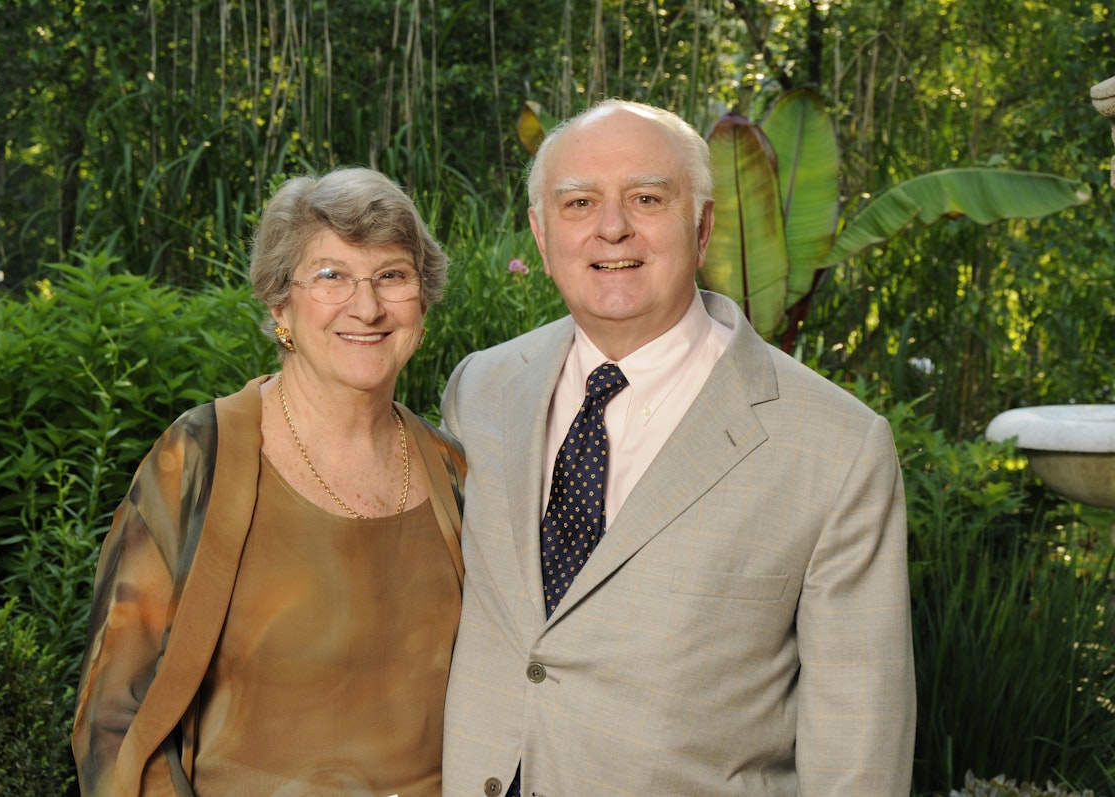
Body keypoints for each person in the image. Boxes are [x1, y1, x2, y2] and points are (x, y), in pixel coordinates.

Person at [439, 100, 916, 795]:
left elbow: (859, 749)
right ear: (542, 238)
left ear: (703, 227)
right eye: (579, 202)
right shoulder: (480, 389)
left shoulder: (837, 447)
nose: (612, 227)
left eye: (646, 197)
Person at [72, 167, 467, 796]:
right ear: (279, 302)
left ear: (422, 299)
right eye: (332, 275)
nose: (366, 307)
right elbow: (114, 717)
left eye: (391, 275)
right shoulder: (198, 456)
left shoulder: (453, 471)